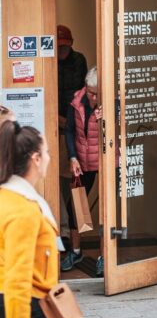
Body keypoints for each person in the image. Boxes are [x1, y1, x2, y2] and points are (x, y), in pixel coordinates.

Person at [0, 121, 66, 318]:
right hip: (26, 309)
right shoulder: (24, 210)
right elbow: (18, 276)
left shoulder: (5, 197)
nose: (50, 157)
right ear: (36, 158)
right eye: (47, 152)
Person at [61, 67, 103, 276]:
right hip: (82, 163)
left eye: (97, 93)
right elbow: (69, 130)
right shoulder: (76, 101)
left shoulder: (112, 103)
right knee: (75, 207)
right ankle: (76, 251)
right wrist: (72, 157)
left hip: (105, 163)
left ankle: (106, 257)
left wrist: (108, 118)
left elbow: (121, 130)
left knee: (108, 210)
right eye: (90, 92)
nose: (93, 96)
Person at [57, 25, 88, 249]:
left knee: (75, 182)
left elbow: (82, 92)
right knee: (58, 179)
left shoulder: (79, 60)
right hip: (57, 125)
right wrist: (57, 118)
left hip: (75, 125)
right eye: (59, 47)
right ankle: (63, 230)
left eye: (65, 46)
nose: (62, 51)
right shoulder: (49, 61)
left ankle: (74, 234)